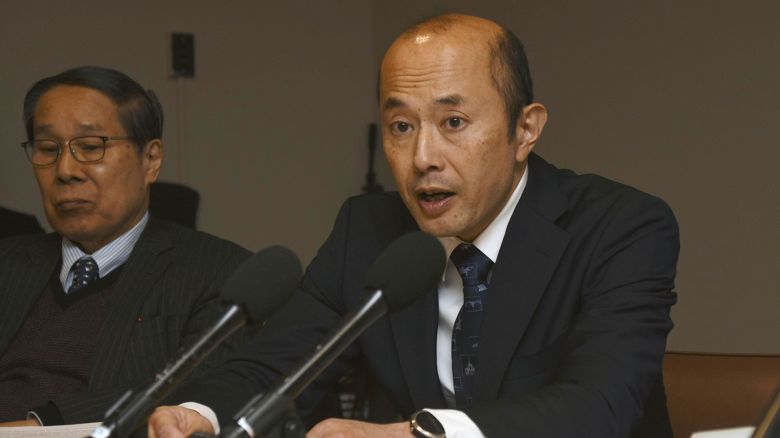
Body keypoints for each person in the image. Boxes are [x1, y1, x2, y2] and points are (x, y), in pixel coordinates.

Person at [149, 13, 679, 438]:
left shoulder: (621, 226)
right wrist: (202, 413)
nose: (423, 156)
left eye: (453, 122)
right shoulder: (368, 229)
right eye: (401, 126)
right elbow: (278, 367)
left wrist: (418, 434)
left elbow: (600, 407)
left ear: (525, 129)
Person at [0, 66, 251, 426]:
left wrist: (42, 425)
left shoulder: (218, 272)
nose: (65, 169)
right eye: (47, 149)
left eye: (90, 147)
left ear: (151, 160)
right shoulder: (8, 263)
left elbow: (200, 387)